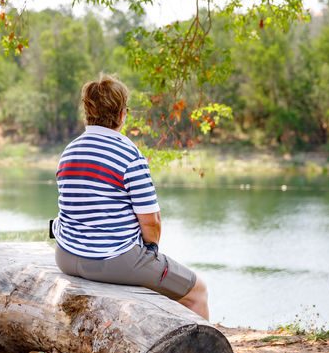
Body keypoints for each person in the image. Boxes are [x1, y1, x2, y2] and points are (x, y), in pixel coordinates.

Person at [51, 73, 210, 320]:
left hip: (66, 255)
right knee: (198, 291)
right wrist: (150, 252)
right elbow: (151, 222)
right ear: (122, 113)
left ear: (87, 111)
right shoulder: (128, 154)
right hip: (112, 260)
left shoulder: (69, 151)